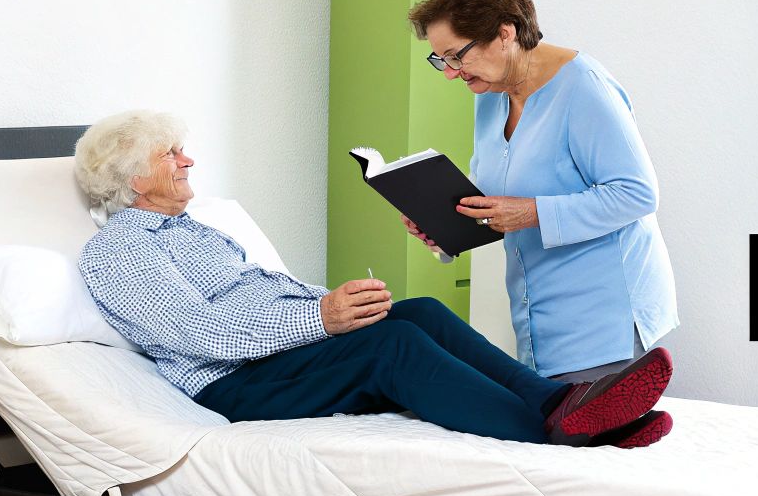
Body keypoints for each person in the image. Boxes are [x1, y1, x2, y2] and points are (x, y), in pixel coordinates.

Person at [73, 110, 675, 449]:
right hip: (233, 384)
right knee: (394, 345)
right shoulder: (121, 248)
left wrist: (339, 308)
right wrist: (321, 318)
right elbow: (199, 333)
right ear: (133, 178)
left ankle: (560, 403)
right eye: (169, 154)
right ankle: (556, 438)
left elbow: (263, 302)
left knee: (418, 313)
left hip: (277, 360)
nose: (187, 160)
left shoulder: (196, 229)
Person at [404, 0, 678, 386]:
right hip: (538, 324)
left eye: (458, 55)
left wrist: (530, 213)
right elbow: (495, 197)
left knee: (577, 428)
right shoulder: (491, 94)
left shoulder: (584, 88)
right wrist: (443, 227)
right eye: (441, 58)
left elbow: (637, 194)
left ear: (505, 33)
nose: (451, 72)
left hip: (604, 322)